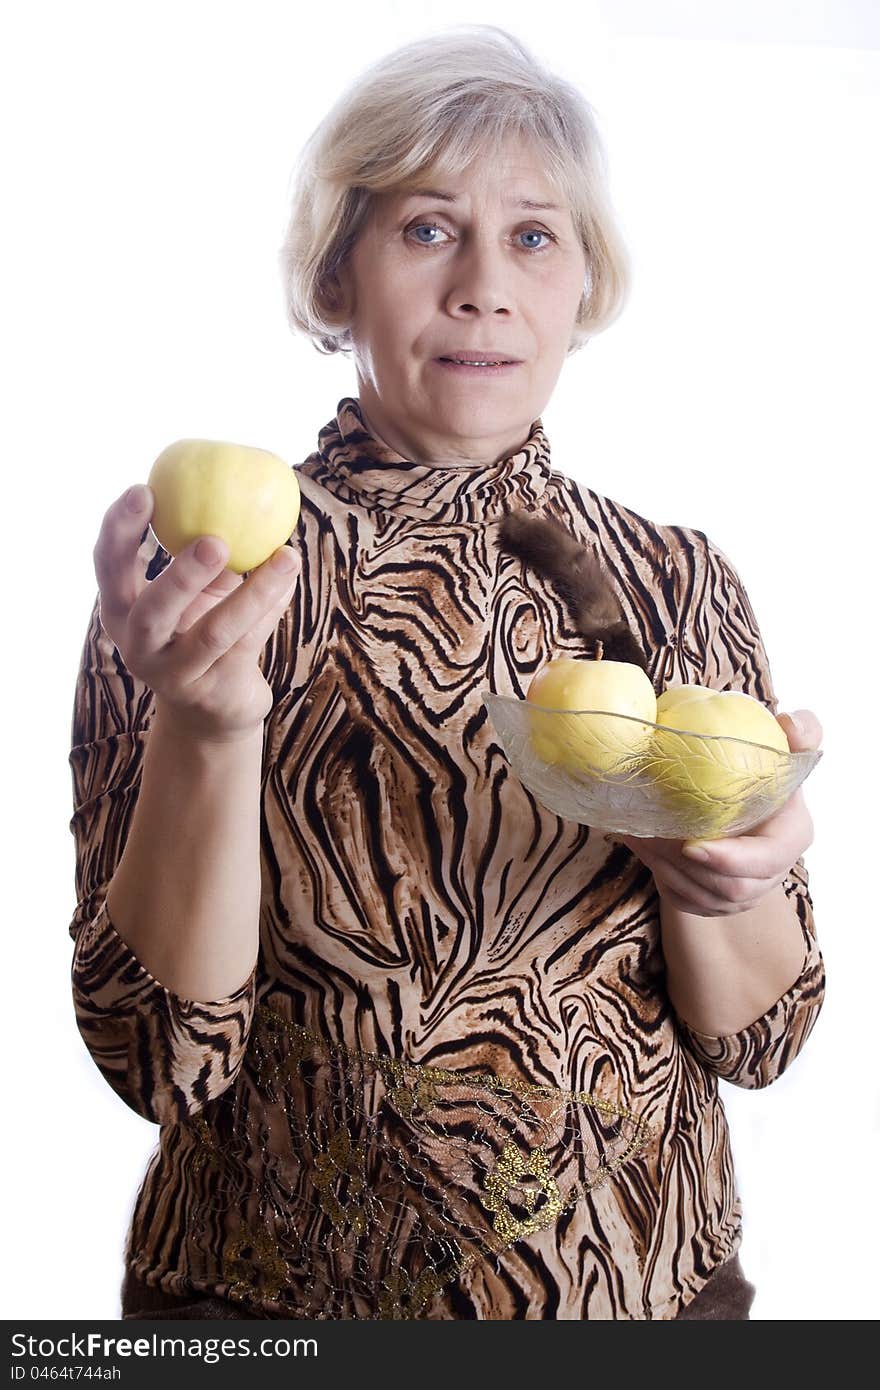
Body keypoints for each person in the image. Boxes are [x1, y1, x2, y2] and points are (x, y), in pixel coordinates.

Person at [68, 25, 825, 1321]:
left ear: (583, 282)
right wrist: (205, 721)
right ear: (335, 275)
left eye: (533, 236)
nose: (485, 284)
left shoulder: (672, 577)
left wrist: (724, 877)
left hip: (647, 1296)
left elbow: (761, 1037)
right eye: (427, 229)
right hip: (262, 1312)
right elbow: (163, 1056)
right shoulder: (208, 583)